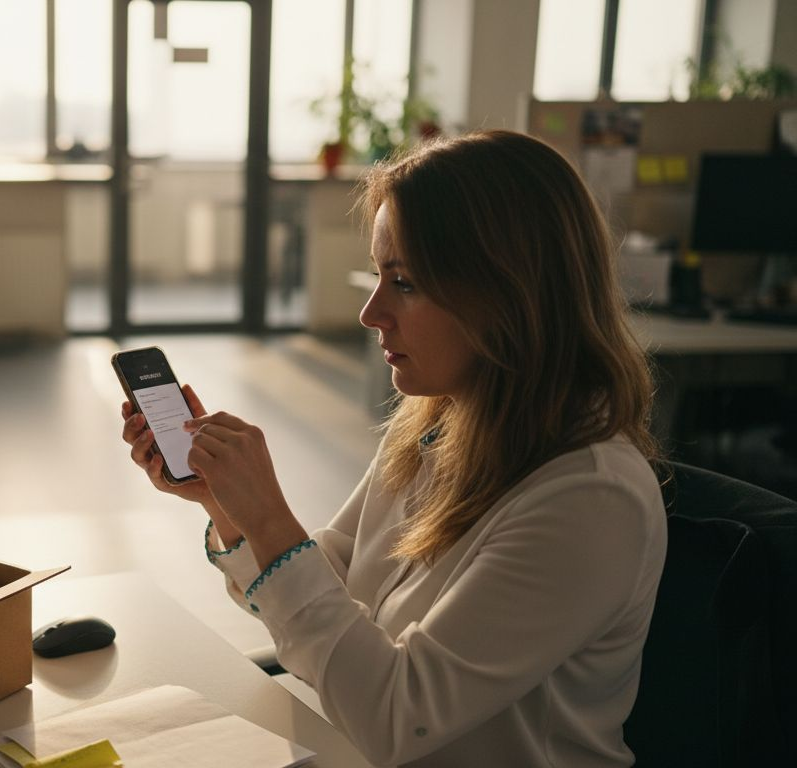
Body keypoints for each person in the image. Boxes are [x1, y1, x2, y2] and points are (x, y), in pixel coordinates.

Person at [120, 130, 666, 767]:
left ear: (508, 293)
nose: (371, 313)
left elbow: (398, 719)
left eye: (404, 283)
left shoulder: (590, 498)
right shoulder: (442, 421)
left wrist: (268, 519)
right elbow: (333, 579)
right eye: (379, 277)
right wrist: (226, 505)